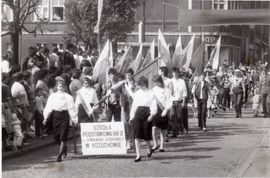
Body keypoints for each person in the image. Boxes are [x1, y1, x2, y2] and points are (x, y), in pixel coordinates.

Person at [43, 80, 77, 162]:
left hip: (64, 117)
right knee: (56, 137)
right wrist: (45, 118)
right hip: (55, 117)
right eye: (59, 86)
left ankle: (59, 155)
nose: (60, 88)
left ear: (65, 87)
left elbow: (72, 109)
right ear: (56, 87)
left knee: (63, 137)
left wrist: (74, 120)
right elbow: (48, 108)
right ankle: (64, 147)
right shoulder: (52, 97)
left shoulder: (69, 97)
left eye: (62, 86)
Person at [129, 76, 157, 162]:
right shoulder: (137, 93)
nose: (140, 86)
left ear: (145, 84)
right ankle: (138, 155)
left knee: (146, 134)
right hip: (138, 113)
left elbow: (153, 105)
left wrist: (152, 115)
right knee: (136, 135)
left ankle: (149, 149)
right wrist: (131, 116)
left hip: (147, 113)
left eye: (142, 84)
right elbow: (134, 106)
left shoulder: (151, 93)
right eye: (139, 85)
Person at [151, 75, 172, 153]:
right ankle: (155, 144)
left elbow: (170, 101)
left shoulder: (167, 90)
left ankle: (162, 146)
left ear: (160, 82)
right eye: (154, 82)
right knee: (154, 128)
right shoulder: (153, 90)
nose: (155, 84)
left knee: (163, 130)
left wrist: (166, 110)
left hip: (164, 110)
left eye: (156, 82)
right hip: (155, 110)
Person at [170, 68, 187, 136]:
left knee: (179, 117)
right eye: (174, 73)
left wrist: (183, 102)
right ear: (172, 73)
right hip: (172, 101)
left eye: (176, 72)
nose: (175, 74)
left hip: (179, 101)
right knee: (172, 116)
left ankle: (182, 128)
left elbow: (184, 92)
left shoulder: (181, 81)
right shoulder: (170, 81)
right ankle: (175, 131)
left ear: (178, 73)